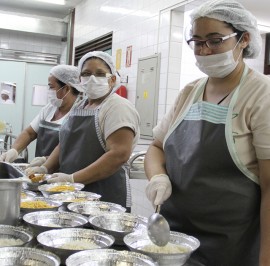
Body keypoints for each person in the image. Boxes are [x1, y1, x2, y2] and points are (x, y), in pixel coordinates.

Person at [144, 0, 270, 265]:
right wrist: (158, 178)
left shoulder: (261, 95)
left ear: (243, 39)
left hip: (230, 244)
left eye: (215, 41)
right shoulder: (190, 92)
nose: (204, 51)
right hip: (173, 237)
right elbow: (156, 147)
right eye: (197, 42)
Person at [26, 51, 140, 210]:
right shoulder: (81, 105)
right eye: (86, 74)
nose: (92, 78)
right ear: (80, 80)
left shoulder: (117, 107)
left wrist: (73, 179)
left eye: (100, 74)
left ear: (112, 79)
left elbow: (118, 154)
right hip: (74, 195)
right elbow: (66, 143)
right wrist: (46, 167)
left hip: (103, 197)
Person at [0, 65, 81, 165]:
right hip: (39, 172)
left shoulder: (80, 113)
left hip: (64, 175)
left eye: (51, 87)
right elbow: (29, 133)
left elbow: (73, 151)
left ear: (67, 88)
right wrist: (14, 150)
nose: (49, 91)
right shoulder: (49, 109)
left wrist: (45, 161)